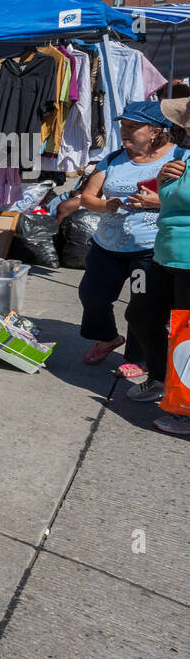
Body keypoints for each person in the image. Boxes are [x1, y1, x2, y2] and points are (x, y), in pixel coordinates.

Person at [76, 101, 187, 378]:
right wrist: (106, 205)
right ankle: (108, 337)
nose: (125, 131)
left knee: (142, 305)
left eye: (134, 126)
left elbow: (183, 201)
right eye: (124, 125)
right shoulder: (113, 159)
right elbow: (87, 197)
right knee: (93, 294)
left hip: (147, 251)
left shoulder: (180, 156)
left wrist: (156, 201)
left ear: (155, 131)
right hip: (108, 248)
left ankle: (139, 358)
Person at [125, 97, 190, 435]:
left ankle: (185, 409)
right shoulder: (182, 158)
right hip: (164, 254)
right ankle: (160, 378)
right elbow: (172, 202)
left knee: (186, 337)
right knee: (140, 314)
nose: (181, 128)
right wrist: (164, 181)